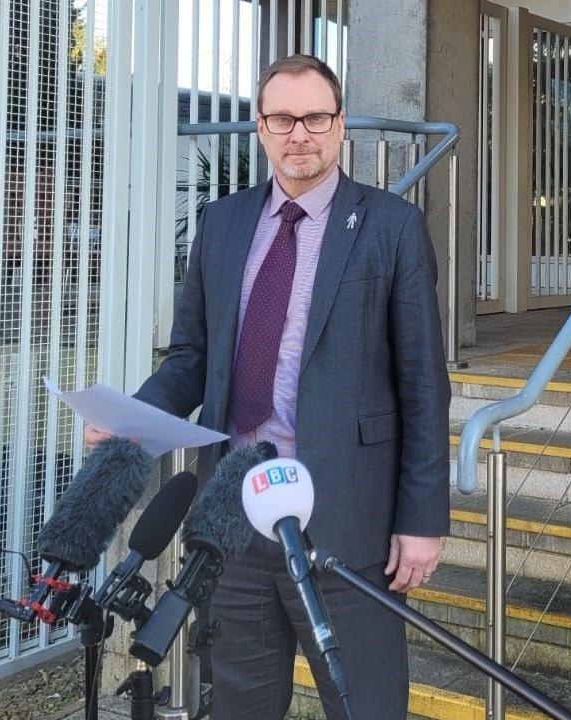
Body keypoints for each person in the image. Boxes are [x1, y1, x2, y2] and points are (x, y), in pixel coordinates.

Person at [88, 54, 450, 719]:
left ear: (340, 126)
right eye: (282, 118)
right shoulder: (222, 224)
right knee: (240, 703)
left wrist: (421, 519)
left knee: (364, 702)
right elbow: (192, 357)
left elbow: (423, 384)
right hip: (235, 512)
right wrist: (135, 418)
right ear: (260, 127)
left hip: (348, 514)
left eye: (316, 117)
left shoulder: (390, 227)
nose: (299, 134)